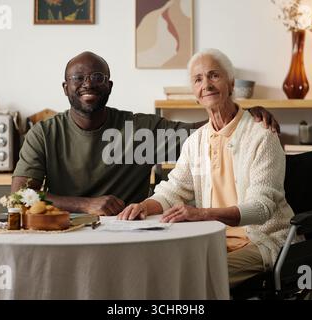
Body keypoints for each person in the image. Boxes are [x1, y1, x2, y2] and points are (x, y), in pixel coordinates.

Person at [12, 51, 279, 216]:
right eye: (78, 78)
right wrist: (85, 205)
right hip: (63, 233)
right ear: (65, 87)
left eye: (97, 77)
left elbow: (198, 133)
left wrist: (240, 113)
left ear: (109, 85)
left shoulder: (139, 130)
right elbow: (20, 196)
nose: (88, 84)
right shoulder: (44, 134)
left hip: (128, 236)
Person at [117, 48, 294, 289]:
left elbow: (261, 208)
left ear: (231, 83)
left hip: (262, 243)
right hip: (211, 241)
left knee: (192, 280)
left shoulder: (261, 136)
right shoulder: (196, 142)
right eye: (198, 79)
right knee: (154, 271)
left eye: (214, 76)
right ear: (195, 93)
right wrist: (143, 207)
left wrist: (200, 214)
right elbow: (174, 190)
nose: (207, 84)